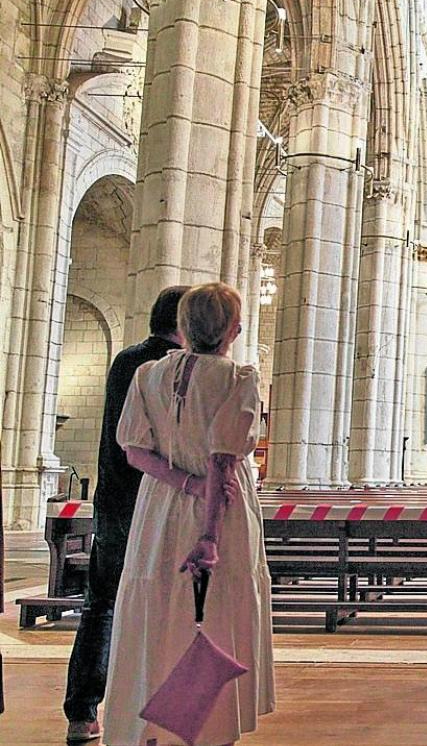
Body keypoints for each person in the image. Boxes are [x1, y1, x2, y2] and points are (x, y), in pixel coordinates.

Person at [102, 283, 275, 746]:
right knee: (214, 613)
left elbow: (135, 451)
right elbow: (222, 461)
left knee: (158, 610)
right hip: (220, 510)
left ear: (183, 325)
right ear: (233, 329)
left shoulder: (147, 375)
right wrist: (210, 535)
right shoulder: (237, 378)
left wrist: (183, 483)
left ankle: (153, 727)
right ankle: (209, 729)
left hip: (159, 510)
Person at [63, 285, 189, 744]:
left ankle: (82, 712)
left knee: (100, 606)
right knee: (162, 608)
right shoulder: (173, 369)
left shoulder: (124, 361)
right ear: (185, 323)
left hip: (113, 501)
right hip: (157, 504)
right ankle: (152, 712)